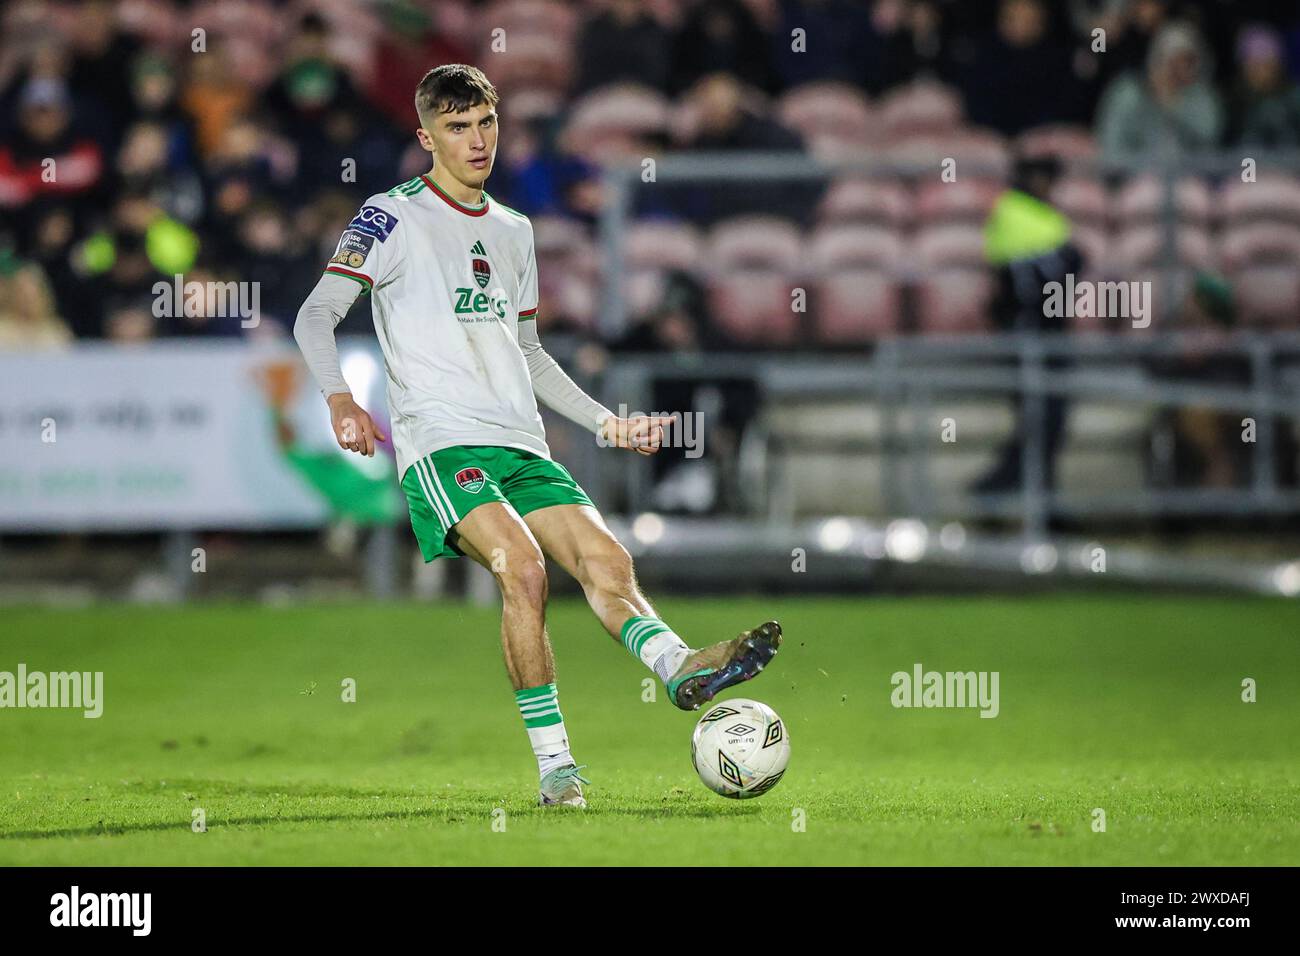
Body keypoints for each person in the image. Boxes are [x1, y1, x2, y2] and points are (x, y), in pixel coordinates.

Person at [293, 65, 781, 809]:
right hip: (442, 444)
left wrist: (604, 422)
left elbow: (529, 353)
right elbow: (315, 314)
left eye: (486, 123)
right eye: (458, 128)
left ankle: (680, 667)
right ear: (426, 137)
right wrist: (340, 399)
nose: (477, 140)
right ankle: (557, 769)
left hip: (521, 442)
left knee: (606, 559)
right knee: (523, 571)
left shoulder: (515, 231)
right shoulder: (387, 217)